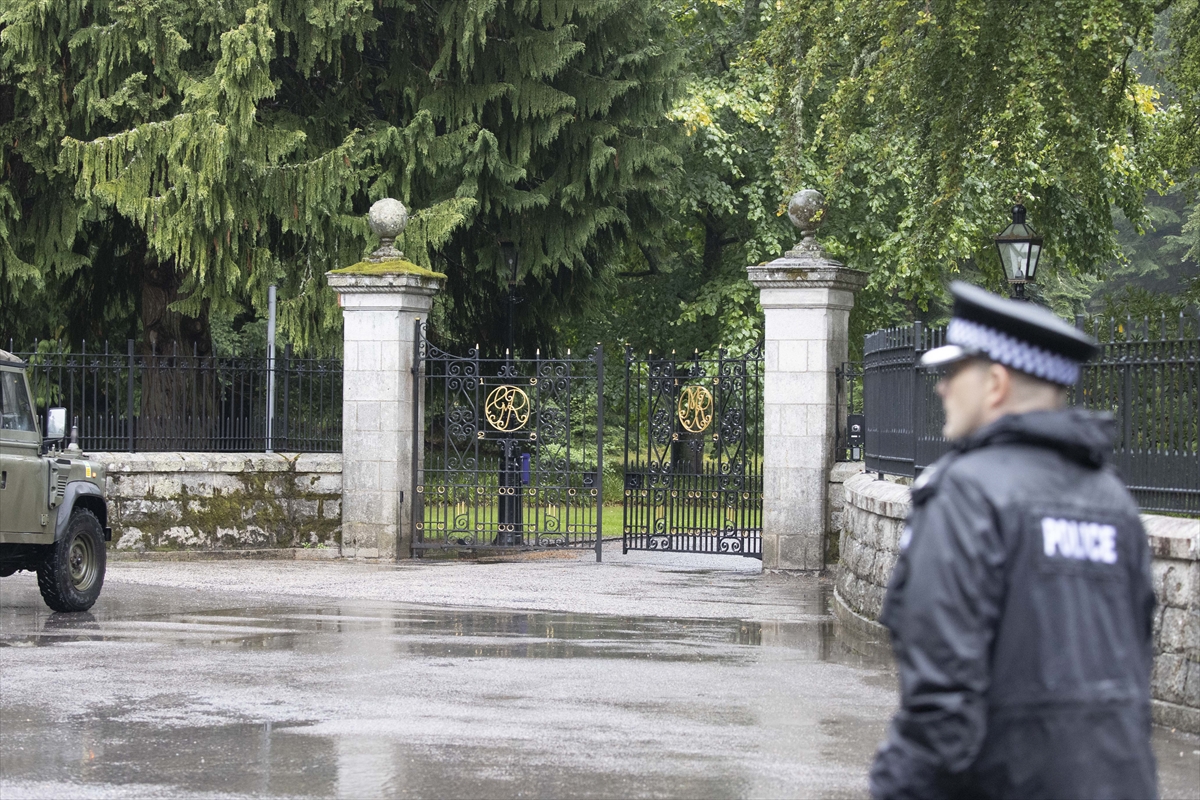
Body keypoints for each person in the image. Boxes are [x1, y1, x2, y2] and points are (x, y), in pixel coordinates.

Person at [868, 282, 1158, 800]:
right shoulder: (1114, 502)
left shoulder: (966, 493)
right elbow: (1134, 662)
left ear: (995, 383)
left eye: (954, 372)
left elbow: (941, 694)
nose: (941, 388)